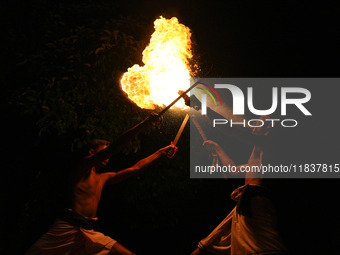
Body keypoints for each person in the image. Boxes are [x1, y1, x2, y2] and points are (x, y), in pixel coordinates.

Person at [26, 115, 177, 255]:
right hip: (67, 227)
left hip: (90, 231)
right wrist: (143, 124)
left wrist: (160, 152)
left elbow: (135, 169)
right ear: (92, 152)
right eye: (104, 153)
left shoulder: (103, 178)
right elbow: (112, 150)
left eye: (108, 155)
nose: (109, 157)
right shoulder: (81, 168)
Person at [191, 117, 288, 255]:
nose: (253, 124)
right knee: (209, 245)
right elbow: (234, 170)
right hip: (245, 203)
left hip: (257, 202)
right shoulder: (257, 152)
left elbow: (231, 130)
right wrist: (217, 149)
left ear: (270, 126)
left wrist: (201, 108)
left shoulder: (270, 144)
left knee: (265, 248)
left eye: (258, 122)